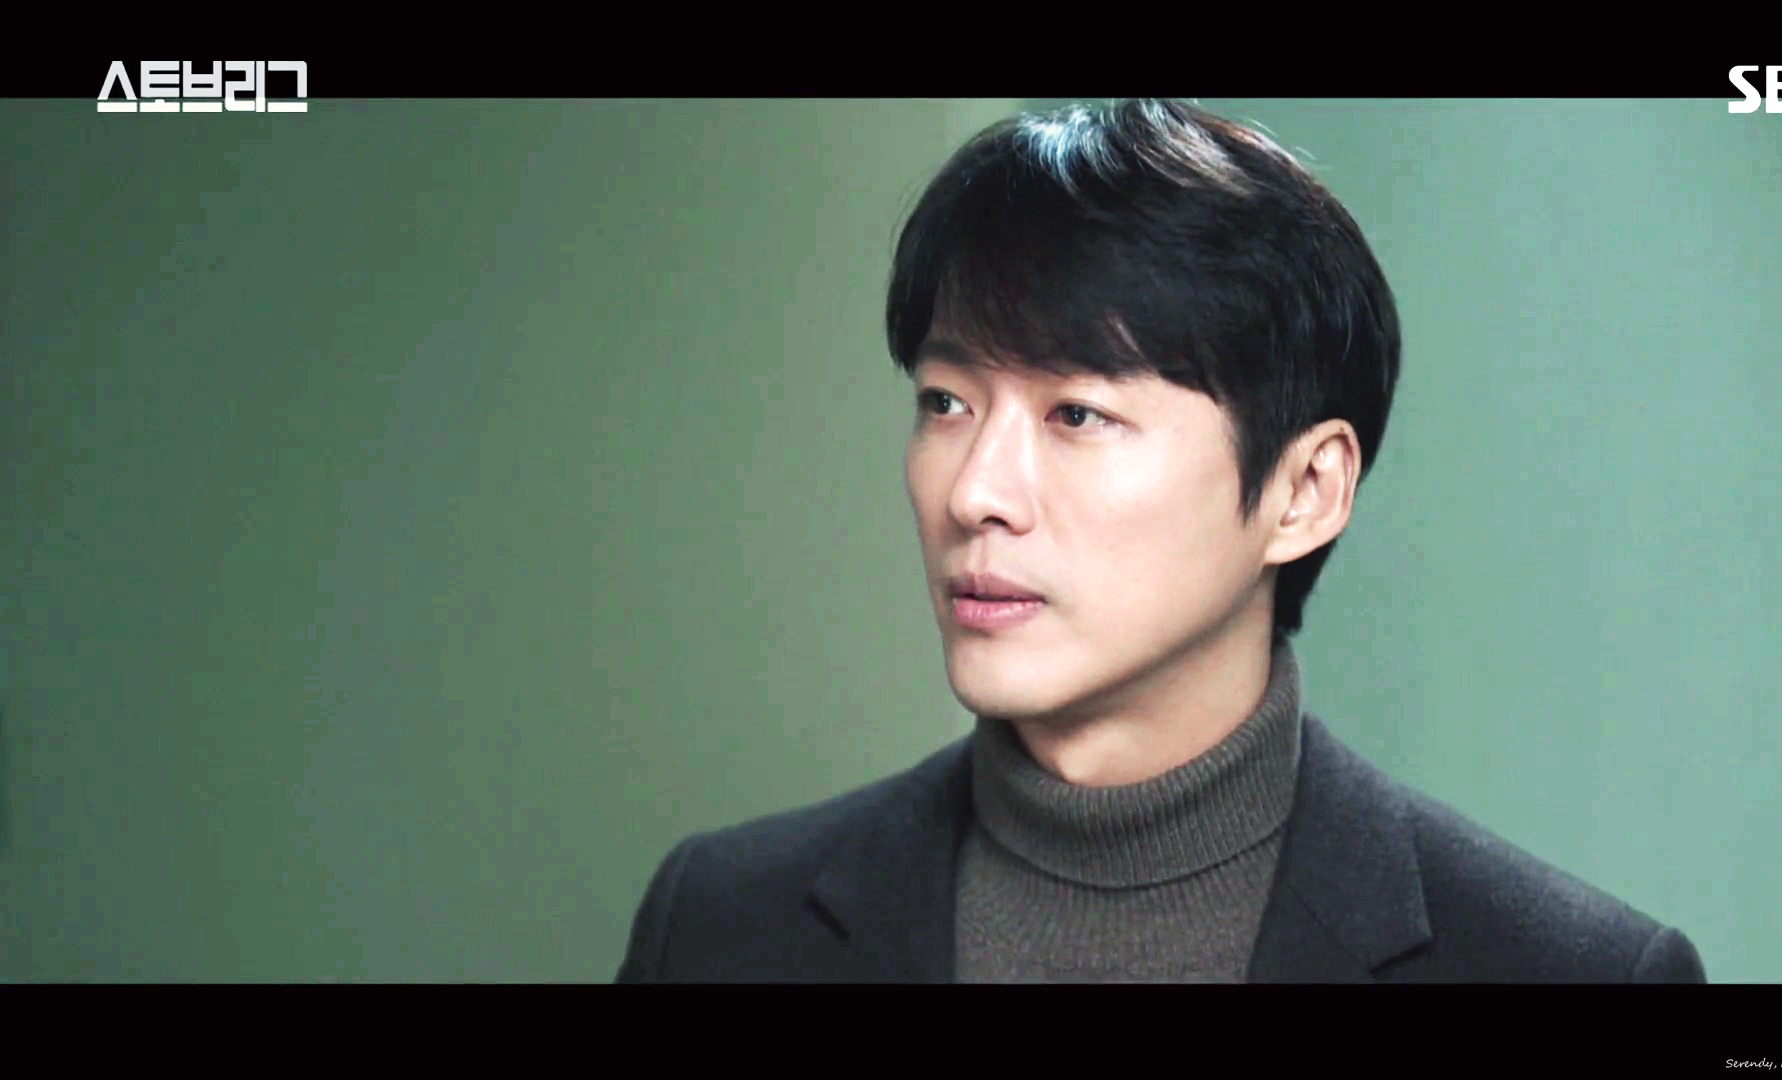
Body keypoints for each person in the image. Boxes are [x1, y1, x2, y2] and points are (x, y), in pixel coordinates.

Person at [614, 98, 1707, 983]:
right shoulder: (718, 927)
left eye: (1077, 413)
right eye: (947, 402)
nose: (977, 492)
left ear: (1305, 490)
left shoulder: (1570, 973)